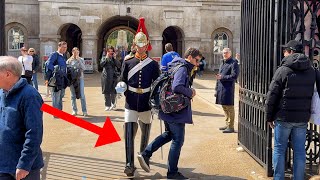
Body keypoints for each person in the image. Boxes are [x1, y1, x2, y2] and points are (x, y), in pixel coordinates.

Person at [137, 47, 200, 180]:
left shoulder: (177, 65)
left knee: (168, 135)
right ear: (189, 57)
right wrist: (191, 92)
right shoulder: (183, 68)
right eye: (196, 60)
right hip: (175, 110)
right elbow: (177, 86)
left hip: (169, 108)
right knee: (178, 140)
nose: (197, 63)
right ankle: (172, 173)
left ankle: (146, 153)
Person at [266, 40, 320, 180]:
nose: (283, 53)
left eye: (285, 50)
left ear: (290, 51)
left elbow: (272, 95)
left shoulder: (283, 69)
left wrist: (269, 117)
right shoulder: (312, 70)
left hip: (283, 117)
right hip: (302, 117)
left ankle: (278, 178)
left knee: (279, 149)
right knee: (300, 151)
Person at [121, 17, 160, 177]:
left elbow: (156, 84)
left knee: (145, 132)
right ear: (135, 45)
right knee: (129, 132)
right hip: (130, 100)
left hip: (145, 102)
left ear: (147, 44)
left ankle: (144, 157)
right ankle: (129, 163)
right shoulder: (128, 61)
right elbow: (122, 78)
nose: (141, 47)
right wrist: (120, 85)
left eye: (144, 45)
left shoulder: (152, 64)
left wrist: (156, 100)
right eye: (139, 45)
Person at [0, 56, 44, 180]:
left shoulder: (30, 96)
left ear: (7, 74)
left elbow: (34, 133)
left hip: (22, 168)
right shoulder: (2, 92)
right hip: (4, 163)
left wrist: (25, 164)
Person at [216, 48, 239, 133]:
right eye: (223, 53)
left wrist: (223, 77)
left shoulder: (234, 63)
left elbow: (234, 76)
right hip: (221, 87)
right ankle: (227, 124)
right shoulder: (222, 62)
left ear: (230, 53)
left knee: (229, 107)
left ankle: (231, 126)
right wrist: (216, 89)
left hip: (228, 88)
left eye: (226, 53)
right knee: (224, 106)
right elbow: (218, 76)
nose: (224, 54)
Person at [45, 41, 68, 113]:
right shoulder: (54, 54)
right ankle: (55, 113)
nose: (65, 49)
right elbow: (48, 64)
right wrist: (56, 70)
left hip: (63, 78)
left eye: (66, 47)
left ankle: (60, 111)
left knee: (61, 95)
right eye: (63, 47)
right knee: (56, 96)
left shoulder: (63, 56)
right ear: (59, 47)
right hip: (56, 79)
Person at [67, 47, 88, 116]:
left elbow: (84, 68)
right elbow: (67, 70)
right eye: (74, 52)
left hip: (80, 78)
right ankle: (74, 110)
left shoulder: (81, 59)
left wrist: (79, 60)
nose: (76, 53)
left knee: (82, 95)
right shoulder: (69, 60)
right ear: (72, 52)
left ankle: (84, 111)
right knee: (73, 95)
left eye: (77, 52)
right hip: (72, 80)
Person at [100, 46, 121, 111]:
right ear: (107, 52)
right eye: (109, 51)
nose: (110, 53)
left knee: (113, 91)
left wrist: (114, 58)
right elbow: (101, 64)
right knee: (106, 91)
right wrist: (106, 57)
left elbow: (118, 65)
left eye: (112, 51)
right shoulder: (104, 58)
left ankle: (113, 103)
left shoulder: (114, 58)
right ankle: (107, 105)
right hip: (105, 76)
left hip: (113, 76)